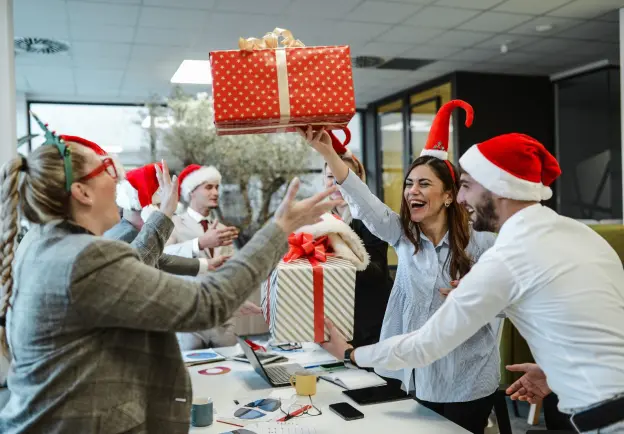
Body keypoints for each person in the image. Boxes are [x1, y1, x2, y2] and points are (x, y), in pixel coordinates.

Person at [0, 118, 341, 433]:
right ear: (82, 193)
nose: (118, 178)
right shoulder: (84, 256)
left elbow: (130, 265)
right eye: (107, 169)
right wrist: (280, 228)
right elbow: (209, 302)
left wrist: (163, 214)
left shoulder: (40, 245)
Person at [323, 132, 624, 434]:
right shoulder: (580, 234)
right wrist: (555, 372)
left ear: (499, 188)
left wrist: (351, 354)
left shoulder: (504, 256)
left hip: (605, 419)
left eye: (466, 186)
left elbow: (428, 343)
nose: (462, 197)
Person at [300, 99, 499, 434]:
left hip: (468, 379)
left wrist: (477, 294)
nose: (411, 191)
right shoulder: (403, 237)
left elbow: (515, 299)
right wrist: (329, 156)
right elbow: (364, 204)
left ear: (449, 196)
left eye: (423, 184)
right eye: (409, 183)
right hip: (418, 375)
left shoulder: (483, 244)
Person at [322, 130, 393, 347]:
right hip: (334, 320)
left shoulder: (372, 219)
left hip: (369, 323)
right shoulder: (320, 220)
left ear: (357, 182)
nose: (336, 184)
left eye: (343, 178)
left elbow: (377, 271)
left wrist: (340, 250)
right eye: (329, 177)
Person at [163, 164, 244, 349]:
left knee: (229, 372)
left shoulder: (222, 230)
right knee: (191, 373)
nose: (215, 192)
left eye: (217, 187)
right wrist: (199, 243)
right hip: (188, 319)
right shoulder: (173, 223)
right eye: (208, 187)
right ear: (191, 192)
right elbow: (161, 256)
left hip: (222, 319)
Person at [105, 161, 225, 275]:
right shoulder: (124, 237)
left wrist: (205, 265)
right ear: (149, 210)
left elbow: (161, 260)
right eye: (159, 206)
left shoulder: (132, 232)